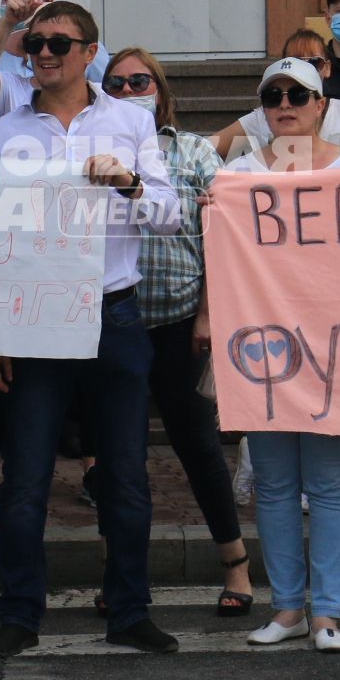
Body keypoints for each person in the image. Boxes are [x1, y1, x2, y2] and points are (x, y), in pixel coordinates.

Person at [0, 0, 181, 658]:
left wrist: (127, 184)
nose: (41, 54)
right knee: (26, 475)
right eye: (33, 44)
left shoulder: (131, 121)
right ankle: (19, 613)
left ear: (89, 51)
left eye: (56, 44)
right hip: (34, 316)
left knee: (123, 473)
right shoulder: (4, 135)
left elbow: (171, 218)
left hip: (113, 311)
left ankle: (129, 609)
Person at [205, 56, 340, 651]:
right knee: (272, 484)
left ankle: (328, 612)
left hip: (335, 345)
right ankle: (288, 608)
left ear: (322, 104)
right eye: (274, 96)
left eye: (299, 94)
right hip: (263, 346)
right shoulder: (239, 174)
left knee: (328, 484)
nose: (286, 105)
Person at [110, 47, 253, 617]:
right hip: (114, 323)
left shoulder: (193, 151)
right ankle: (121, 576)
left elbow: (223, 239)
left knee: (197, 446)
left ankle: (236, 564)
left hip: (178, 321)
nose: (127, 91)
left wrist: (209, 313)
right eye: (115, 84)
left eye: (138, 81)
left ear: (161, 91)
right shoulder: (89, 152)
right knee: (118, 457)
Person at [211, 29, 340, 164]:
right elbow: (203, 150)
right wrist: (215, 190)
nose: (284, 104)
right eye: (273, 97)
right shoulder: (261, 118)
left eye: (314, 62)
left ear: (328, 68)